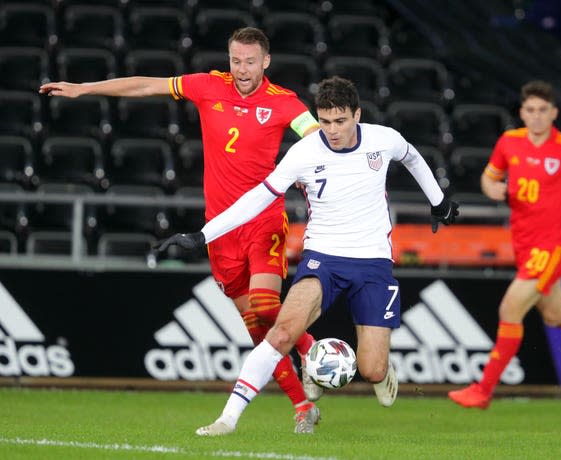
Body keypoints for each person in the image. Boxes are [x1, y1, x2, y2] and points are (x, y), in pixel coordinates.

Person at [39, 27, 324, 432]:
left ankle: (313, 352)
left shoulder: (283, 103)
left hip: (262, 220)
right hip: (220, 229)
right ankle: (302, 406)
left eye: (250, 61)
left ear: (266, 62)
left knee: (264, 305)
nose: (242, 69)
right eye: (236, 60)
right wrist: (86, 88)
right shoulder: (208, 86)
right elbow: (145, 86)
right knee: (258, 328)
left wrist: (310, 169)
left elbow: (317, 139)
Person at [155, 76, 459, 435]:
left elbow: (412, 157)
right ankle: (227, 419)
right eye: (325, 121)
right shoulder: (303, 153)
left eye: (341, 121)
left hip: (373, 262)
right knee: (282, 331)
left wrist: (438, 202)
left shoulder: (383, 139)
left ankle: (380, 368)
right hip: (323, 259)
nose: (332, 130)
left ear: (356, 115)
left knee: (372, 369)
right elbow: (257, 198)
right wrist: (203, 234)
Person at [448, 80, 561, 410]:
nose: (536, 117)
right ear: (522, 112)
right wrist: (492, 189)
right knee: (556, 315)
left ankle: (483, 389)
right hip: (523, 243)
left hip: (552, 246)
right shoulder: (509, 142)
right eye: (530, 110)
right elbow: (489, 177)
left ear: (554, 113)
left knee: (510, 309)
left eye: (542, 111)